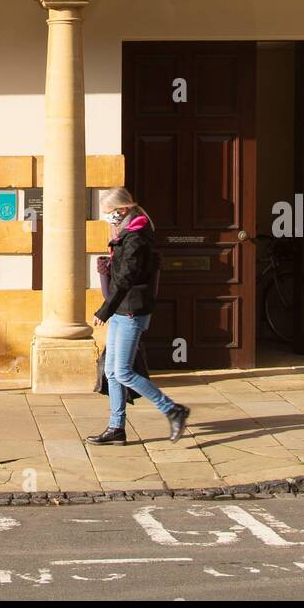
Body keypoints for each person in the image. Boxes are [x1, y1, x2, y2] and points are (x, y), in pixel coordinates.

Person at [86, 188, 191, 445]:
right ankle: (116, 427)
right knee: (111, 372)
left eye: (109, 213)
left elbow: (126, 279)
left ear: (122, 210)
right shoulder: (126, 232)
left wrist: (104, 310)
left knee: (122, 372)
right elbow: (122, 273)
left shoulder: (136, 237)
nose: (107, 218)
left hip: (131, 311)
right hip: (123, 310)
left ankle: (173, 410)